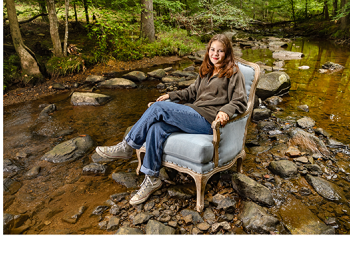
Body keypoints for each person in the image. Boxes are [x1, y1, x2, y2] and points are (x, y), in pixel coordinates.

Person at [94, 35, 247, 206]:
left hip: (208, 120)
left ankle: (127, 146)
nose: (215, 54)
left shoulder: (233, 72)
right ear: (208, 50)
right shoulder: (205, 70)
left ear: (227, 53)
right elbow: (191, 92)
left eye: (220, 51)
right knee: (157, 128)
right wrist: (171, 95)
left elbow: (240, 101)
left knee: (158, 109)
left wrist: (225, 111)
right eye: (212, 50)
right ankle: (152, 178)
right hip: (193, 112)